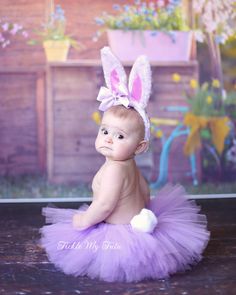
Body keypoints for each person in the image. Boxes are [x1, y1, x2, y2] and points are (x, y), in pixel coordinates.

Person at [40, 47, 210, 282]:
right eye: (105, 130)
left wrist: (84, 221)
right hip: (136, 224)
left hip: (118, 233)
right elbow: (144, 190)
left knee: (97, 252)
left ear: (139, 147)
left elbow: (104, 206)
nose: (109, 138)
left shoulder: (114, 170)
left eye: (120, 136)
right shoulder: (129, 165)